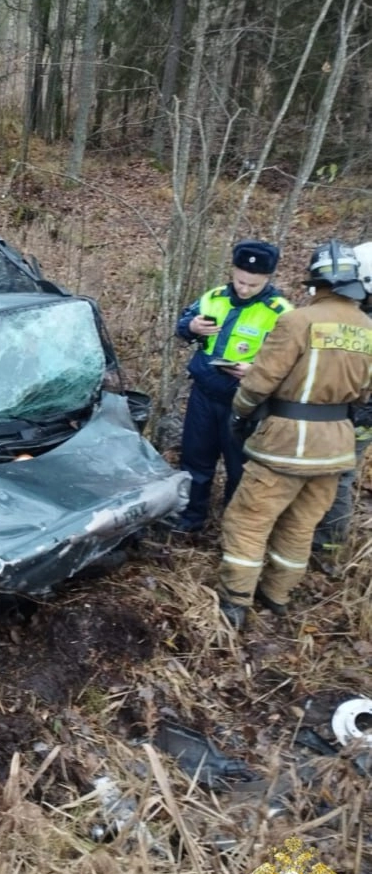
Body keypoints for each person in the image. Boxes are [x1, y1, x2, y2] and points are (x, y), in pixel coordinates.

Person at [218, 240, 372, 629]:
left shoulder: (297, 321)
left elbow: (258, 383)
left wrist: (239, 415)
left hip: (287, 443)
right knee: (300, 525)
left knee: (248, 521)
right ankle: (277, 596)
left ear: (316, 284)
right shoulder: (368, 329)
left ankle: (235, 601)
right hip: (336, 446)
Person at [165, 240, 291, 533]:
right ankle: (189, 518)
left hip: (246, 401)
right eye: (240, 281)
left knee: (240, 467)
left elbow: (291, 362)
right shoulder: (215, 297)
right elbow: (183, 323)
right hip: (204, 393)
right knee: (195, 459)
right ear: (232, 271)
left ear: (268, 279)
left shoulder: (281, 312)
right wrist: (192, 327)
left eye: (253, 284)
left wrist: (256, 371)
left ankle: (234, 527)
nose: (244, 288)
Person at [310, 240, 372, 568]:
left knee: (339, 476)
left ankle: (327, 546)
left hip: (357, 415)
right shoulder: (361, 317)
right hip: (353, 412)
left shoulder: (365, 323)